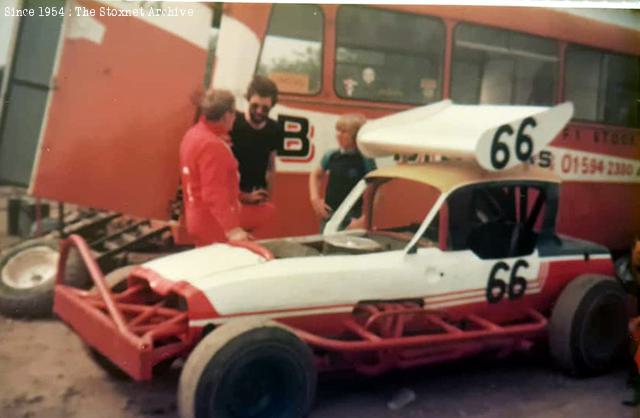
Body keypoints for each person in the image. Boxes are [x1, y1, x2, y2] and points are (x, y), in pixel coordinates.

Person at [179, 89, 251, 246]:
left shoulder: (192, 135)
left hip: (196, 217)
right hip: (212, 225)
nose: (235, 116)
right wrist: (232, 229)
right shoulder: (212, 145)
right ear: (226, 115)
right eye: (234, 112)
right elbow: (213, 193)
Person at [229, 76, 282, 235]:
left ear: (272, 106)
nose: (259, 111)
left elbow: (271, 166)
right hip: (232, 197)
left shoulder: (275, 129)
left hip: (257, 197)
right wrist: (243, 196)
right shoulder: (233, 122)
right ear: (247, 100)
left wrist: (269, 198)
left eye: (265, 108)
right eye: (255, 106)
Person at [309, 113, 376, 231]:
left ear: (355, 136)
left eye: (344, 132)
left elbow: (377, 189)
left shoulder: (365, 159)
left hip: (353, 217)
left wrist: (365, 218)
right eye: (338, 131)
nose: (338, 135)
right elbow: (316, 175)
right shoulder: (331, 155)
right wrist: (315, 199)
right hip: (329, 214)